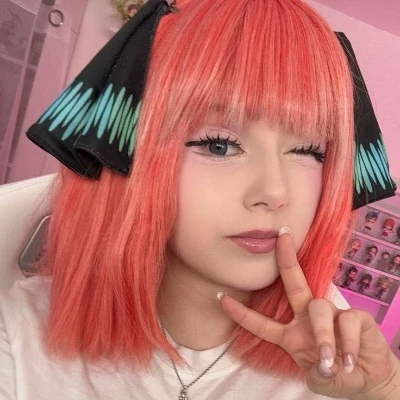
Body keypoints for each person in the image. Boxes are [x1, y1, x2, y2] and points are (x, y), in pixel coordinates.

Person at [1, 0, 399, 399]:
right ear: (132, 154)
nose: (275, 192)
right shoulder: (20, 332)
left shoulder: (337, 363)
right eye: (219, 145)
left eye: (308, 151)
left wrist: (384, 389)